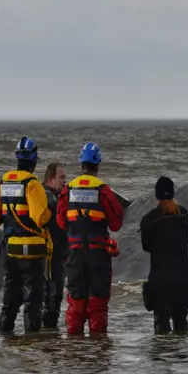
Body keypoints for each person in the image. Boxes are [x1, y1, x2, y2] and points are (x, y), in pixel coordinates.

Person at [0, 136, 52, 333]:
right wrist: (50, 211)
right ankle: (31, 341)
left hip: (10, 249)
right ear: (34, 159)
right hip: (31, 251)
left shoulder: (2, 183)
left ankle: (5, 337)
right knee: (33, 300)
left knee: (9, 299)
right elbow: (40, 217)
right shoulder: (32, 184)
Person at [56, 142, 124, 335]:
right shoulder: (103, 190)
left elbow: (61, 222)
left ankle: (75, 352)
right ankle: (97, 351)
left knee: (76, 304)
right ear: (97, 164)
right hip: (98, 255)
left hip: (75, 254)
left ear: (81, 163)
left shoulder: (67, 190)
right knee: (97, 304)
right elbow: (116, 223)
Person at [139, 176, 188, 334]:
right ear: (172, 193)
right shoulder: (183, 213)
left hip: (160, 280)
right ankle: (182, 357)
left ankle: (165, 356)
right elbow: (184, 243)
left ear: (156, 195)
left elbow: (146, 246)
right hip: (182, 279)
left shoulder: (149, 219)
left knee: (161, 326)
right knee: (181, 324)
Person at [41, 162, 68, 328]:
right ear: (51, 180)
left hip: (52, 254)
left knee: (47, 295)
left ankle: (46, 331)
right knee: (53, 295)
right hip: (52, 254)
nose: (65, 181)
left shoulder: (44, 196)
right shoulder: (49, 199)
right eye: (61, 177)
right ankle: (50, 329)